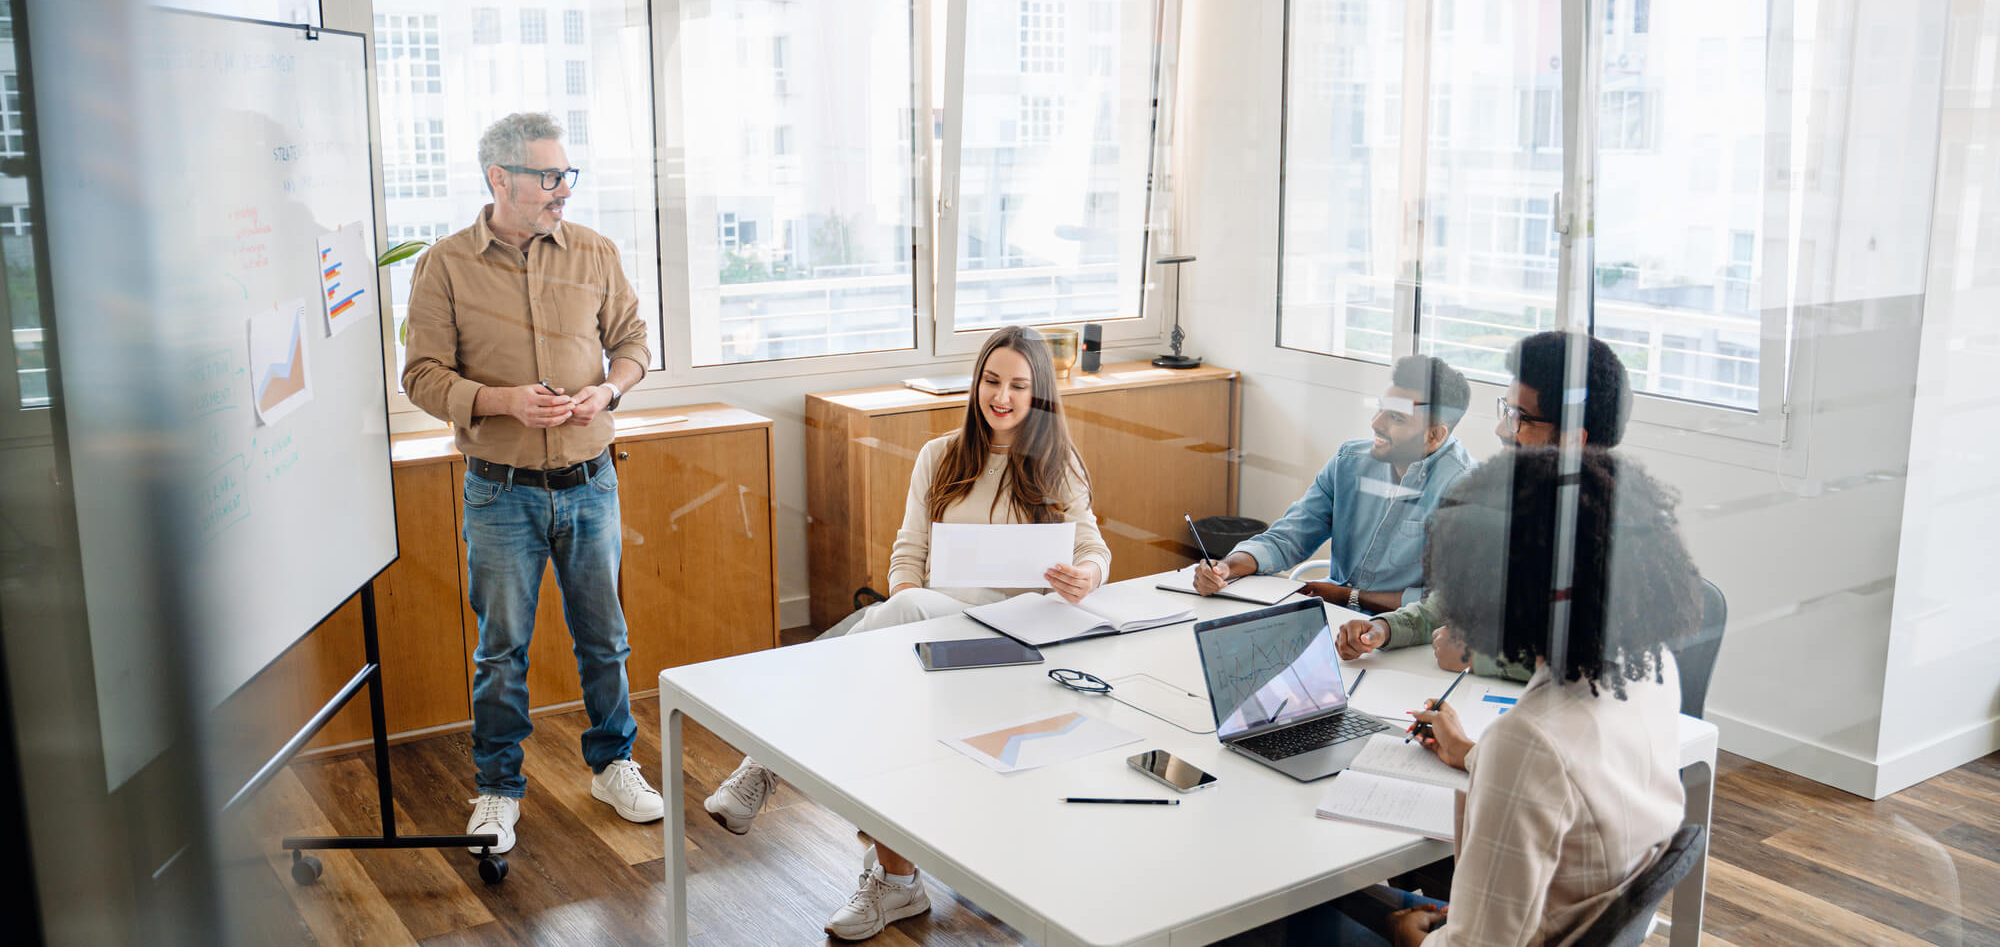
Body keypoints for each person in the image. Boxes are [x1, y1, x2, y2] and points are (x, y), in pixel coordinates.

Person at [702, 325, 1111, 941]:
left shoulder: (1059, 465)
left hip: (1010, 644)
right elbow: (908, 553)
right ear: (975, 383)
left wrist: (1086, 576)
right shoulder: (939, 456)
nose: (1001, 397)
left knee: (889, 626)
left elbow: (1094, 549)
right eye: (991, 381)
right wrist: (902, 611)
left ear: (1040, 394)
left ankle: (764, 764)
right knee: (893, 649)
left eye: (1018, 386)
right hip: (929, 630)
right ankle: (895, 881)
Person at [1288, 448, 1698, 946]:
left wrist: (1406, 936)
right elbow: (1572, 780)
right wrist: (1469, 753)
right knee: (1337, 899)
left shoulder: (1529, 743)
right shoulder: (1651, 666)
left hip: (1521, 933)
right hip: (1562, 919)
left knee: (1283, 919)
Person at [402, 112, 662, 856]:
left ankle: (613, 764)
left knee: (605, 639)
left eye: (565, 174)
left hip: (591, 482)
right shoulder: (445, 265)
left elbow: (633, 343)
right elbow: (420, 375)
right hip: (500, 490)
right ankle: (498, 787)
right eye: (549, 176)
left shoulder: (595, 251)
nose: (563, 190)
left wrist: (608, 391)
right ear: (500, 178)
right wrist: (501, 400)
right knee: (502, 650)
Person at [1335, 332, 1633, 681]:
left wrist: (1482, 657)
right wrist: (1385, 629)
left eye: (1519, 417)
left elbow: (1604, 660)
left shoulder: (1611, 531)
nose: (1501, 429)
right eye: (1505, 410)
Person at [1195, 356, 1473, 612]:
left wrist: (1348, 596)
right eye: (1380, 408)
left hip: (1408, 635)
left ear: (1434, 436)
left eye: (1397, 417)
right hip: (1334, 614)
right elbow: (1289, 537)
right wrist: (1226, 568)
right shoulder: (1349, 462)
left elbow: (1445, 604)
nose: (1376, 423)